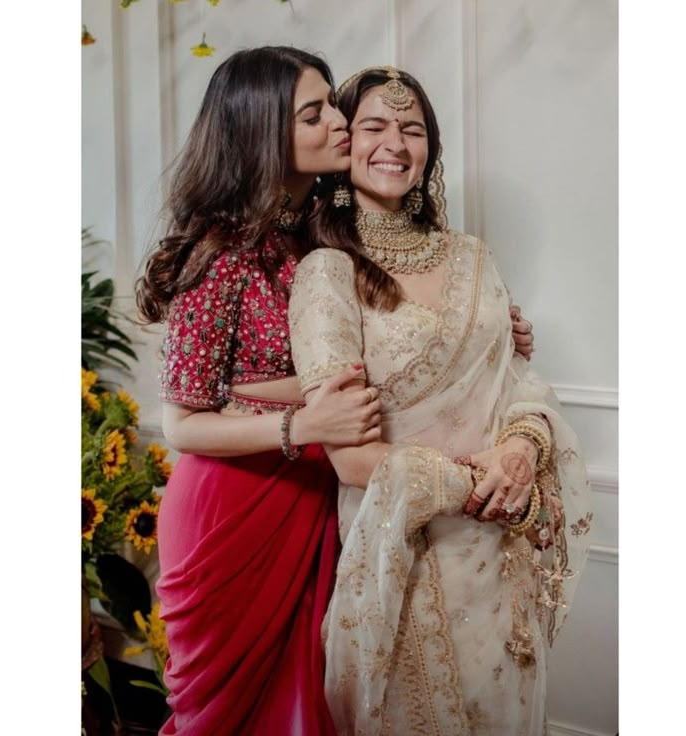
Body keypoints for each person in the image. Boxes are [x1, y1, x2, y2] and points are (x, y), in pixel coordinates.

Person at [135, 47, 534, 734]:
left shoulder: (316, 231)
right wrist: (301, 424)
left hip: (315, 496)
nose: (342, 125)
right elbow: (182, 422)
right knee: (225, 715)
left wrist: (488, 340)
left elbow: (363, 349)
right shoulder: (220, 248)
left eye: (335, 107)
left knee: (302, 708)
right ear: (262, 131)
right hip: (233, 503)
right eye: (315, 114)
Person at [288, 66, 592, 736]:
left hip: (500, 557)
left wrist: (519, 449)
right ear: (345, 145)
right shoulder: (327, 272)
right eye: (373, 125)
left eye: (412, 128)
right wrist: (485, 480)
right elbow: (353, 461)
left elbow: (518, 381)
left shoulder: (473, 257)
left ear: (430, 149)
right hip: (405, 557)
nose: (394, 142)